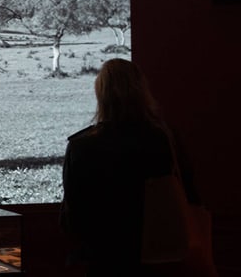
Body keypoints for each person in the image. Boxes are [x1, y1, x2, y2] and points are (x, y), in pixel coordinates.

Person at [60, 58, 199, 276]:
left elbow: (72, 218)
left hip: (104, 258)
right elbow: (189, 194)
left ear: (100, 95)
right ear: (142, 90)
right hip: (163, 257)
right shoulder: (163, 138)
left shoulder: (82, 146)